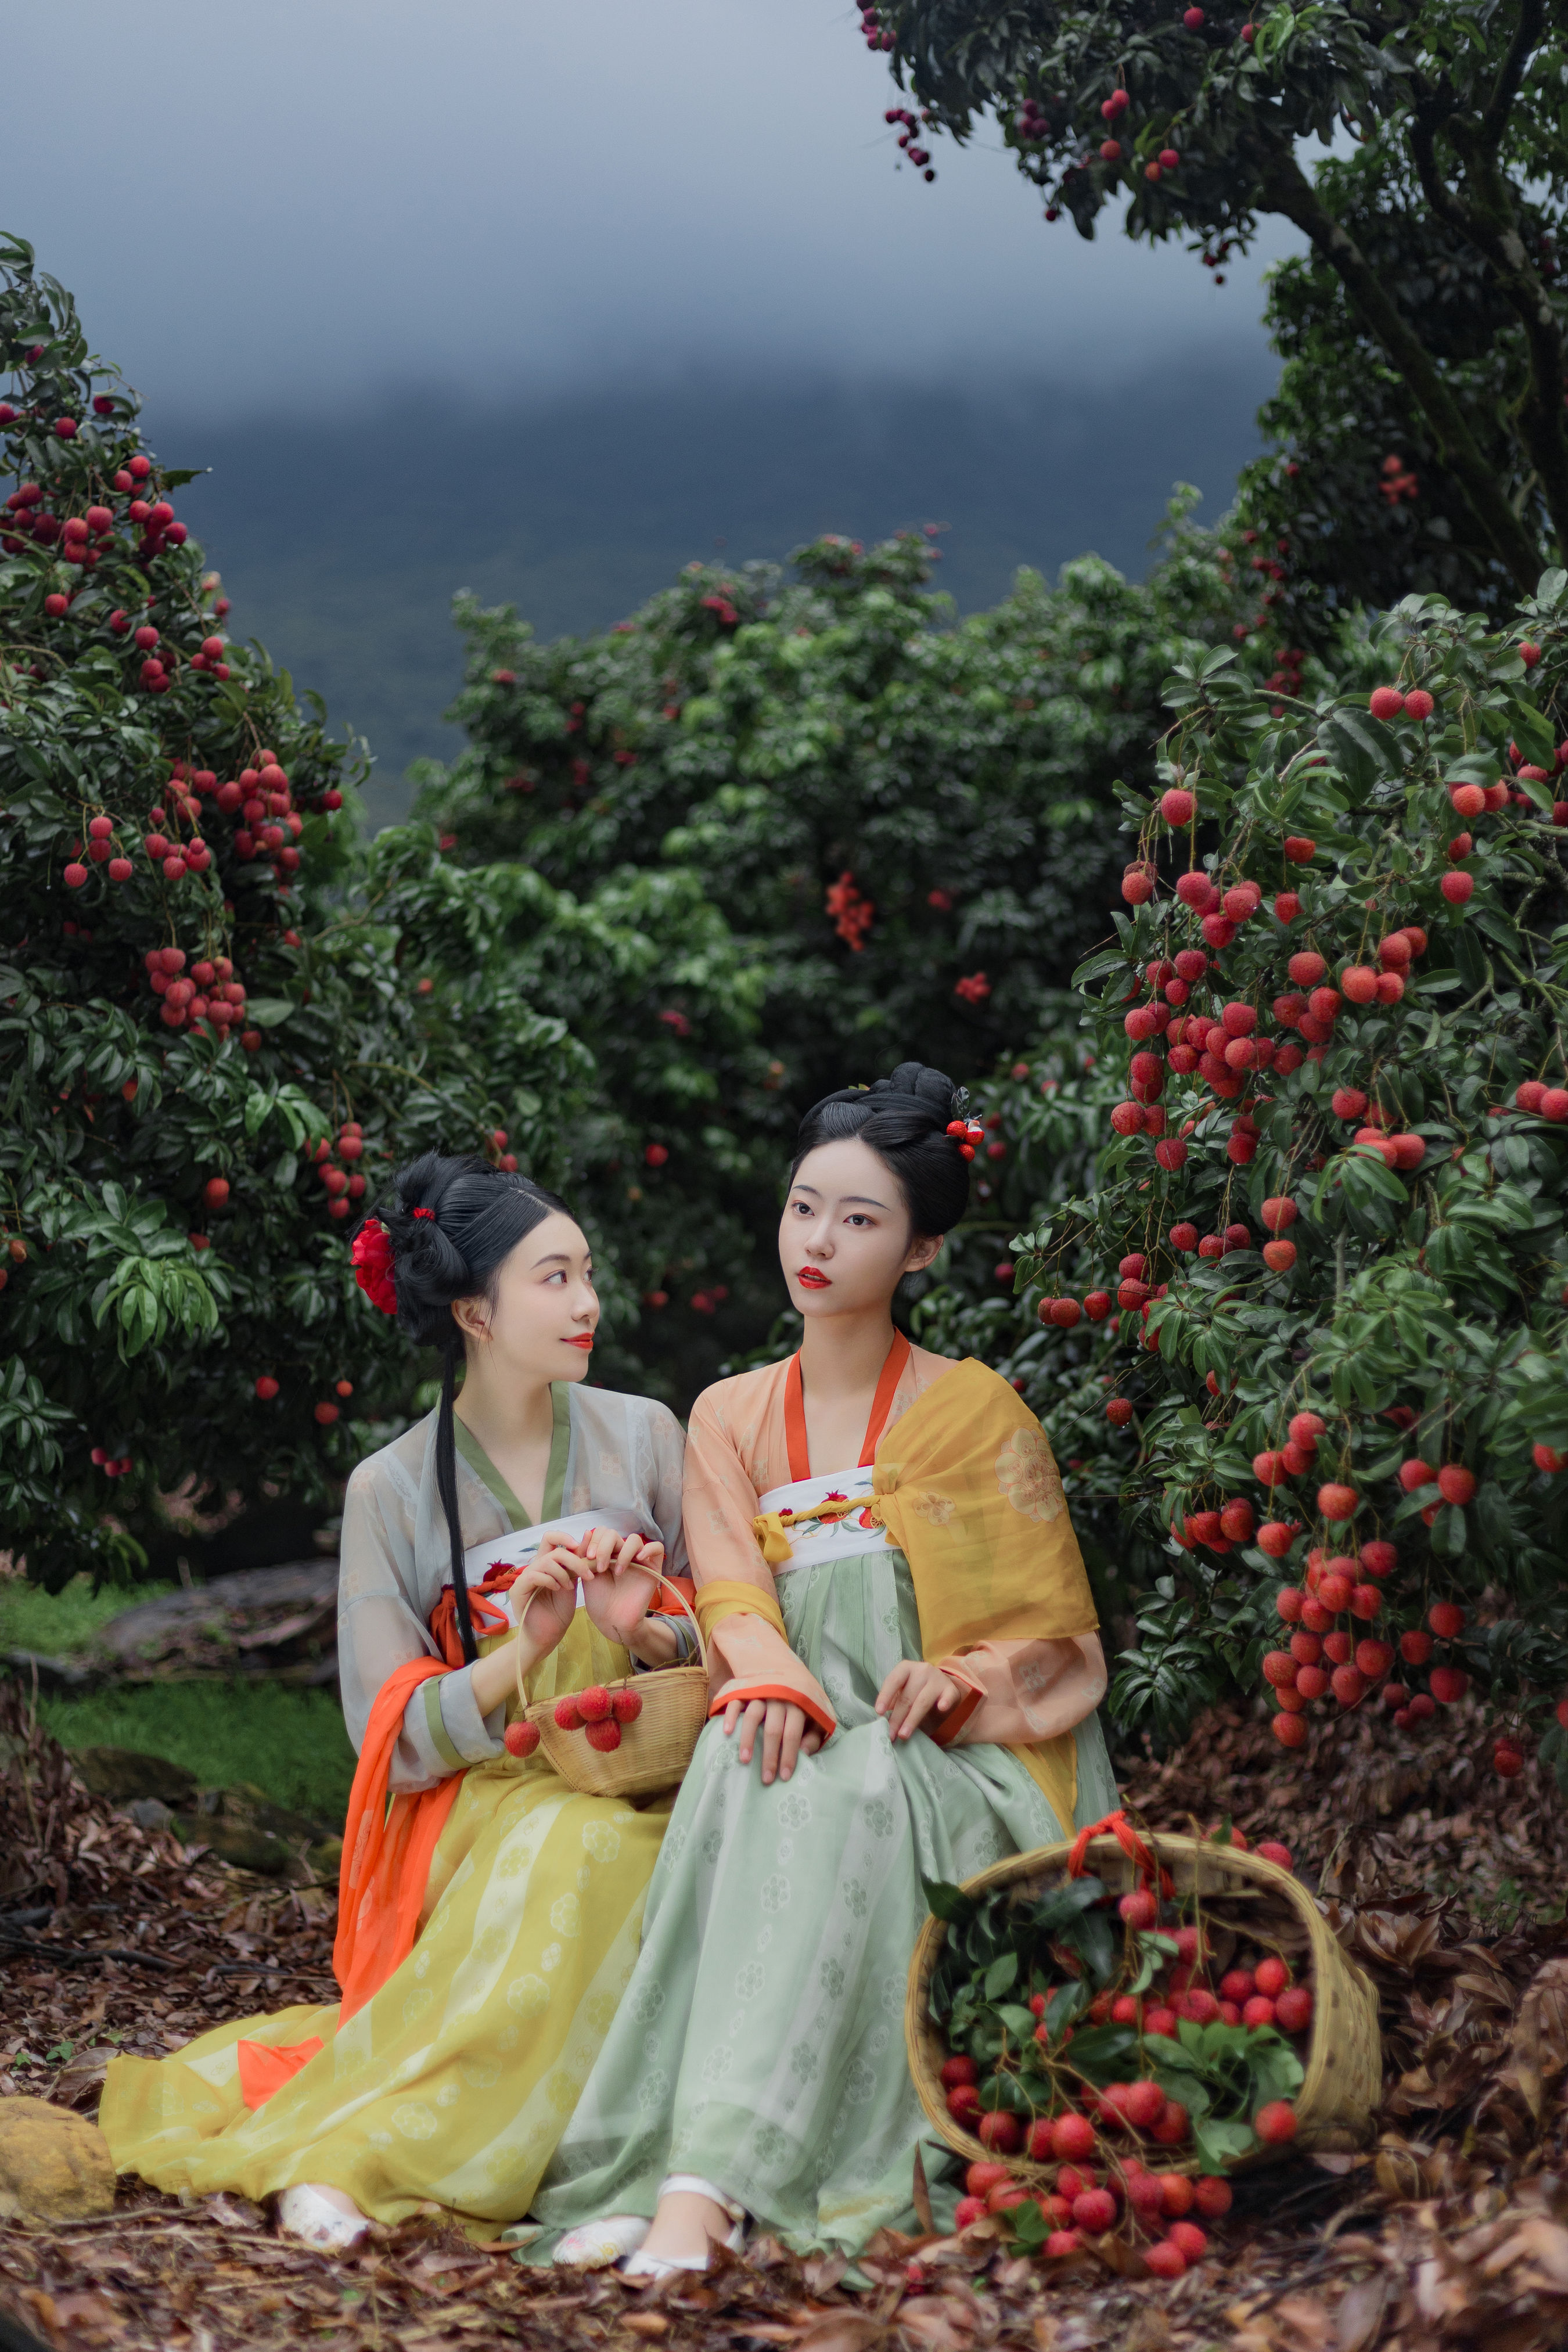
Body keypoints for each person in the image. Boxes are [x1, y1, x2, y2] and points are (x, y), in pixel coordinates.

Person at [529, 1062, 1116, 2274]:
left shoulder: (978, 1410)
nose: (821, 1240)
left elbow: (1054, 1643)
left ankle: (713, 2188)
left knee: (843, 1788)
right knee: (755, 1768)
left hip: (949, 1760)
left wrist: (959, 1681)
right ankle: (684, 2170)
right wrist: (771, 1676)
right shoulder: (731, 1414)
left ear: (918, 1252)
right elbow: (736, 1591)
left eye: (861, 1219)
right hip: (789, 1724)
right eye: (806, 1207)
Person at [100, 1153, 692, 2247]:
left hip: (647, 1767)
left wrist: (642, 1622)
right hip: (487, 1794)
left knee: (627, 1839)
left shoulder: (646, 1432)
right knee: (584, 1848)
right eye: (555, 1278)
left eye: (587, 1273)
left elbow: (725, 1633)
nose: (589, 1302)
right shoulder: (392, 1487)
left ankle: (621, 2165)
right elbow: (388, 1738)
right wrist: (528, 1651)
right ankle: (382, 2148)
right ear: (474, 1310)